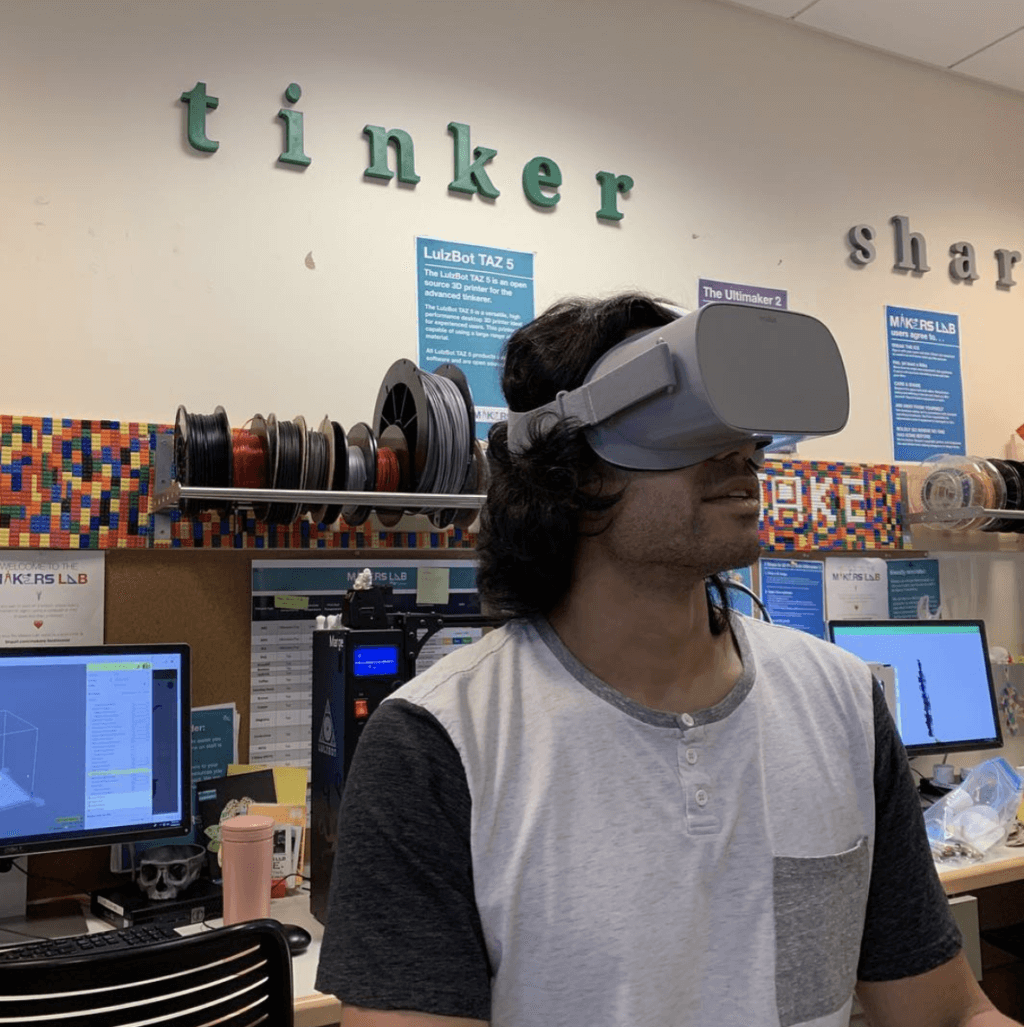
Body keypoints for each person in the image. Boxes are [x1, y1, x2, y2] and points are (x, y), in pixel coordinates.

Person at [316, 293, 1020, 1027]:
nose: (743, 454)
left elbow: (946, 1014)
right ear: (571, 467)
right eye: (688, 425)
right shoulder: (438, 745)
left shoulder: (840, 700)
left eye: (745, 432)